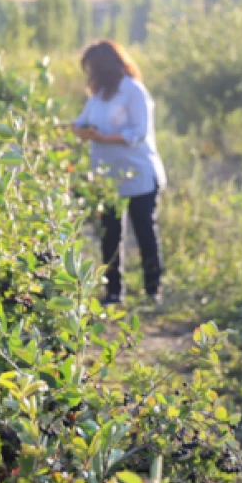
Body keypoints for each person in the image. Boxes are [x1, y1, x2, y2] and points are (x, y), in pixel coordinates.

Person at [70, 40, 167, 306]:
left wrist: (102, 137)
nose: (90, 74)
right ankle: (114, 292)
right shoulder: (98, 94)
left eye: (92, 68)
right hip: (107, 178)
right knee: (110, 235)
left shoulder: (133, 91)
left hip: (137, 174)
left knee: (144, 231)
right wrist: (76, 130)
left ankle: (153, 289)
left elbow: (138, 133)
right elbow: (81, 122)